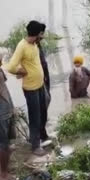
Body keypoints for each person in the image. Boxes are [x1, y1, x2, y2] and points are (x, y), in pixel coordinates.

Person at [3, 20, 47, 156]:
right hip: (31, 88)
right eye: (41, 34)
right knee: (35, 117)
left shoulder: (34, 44)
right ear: (35, 34)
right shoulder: (22, 46)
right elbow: (10, 67)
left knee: (42, 113)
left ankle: (41, 137)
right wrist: (20, 72)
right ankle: (35, 146)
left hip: (40, 85)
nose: (42, 36)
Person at [0, 53, 16, 180]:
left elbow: (4, 88)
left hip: (7, 108)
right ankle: (3, 174)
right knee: (3, 144)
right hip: (1, 113)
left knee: (7, 143)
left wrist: (12, 106)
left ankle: (4, 168)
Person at [37, 23, 50, 142]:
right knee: (42, 105)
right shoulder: (31, 45)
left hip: (45, 77)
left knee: (46, 101)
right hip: (39, 80)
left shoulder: (37, 44)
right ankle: (41, 134)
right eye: (41, 34)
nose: (43, 36)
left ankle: (42, 131)